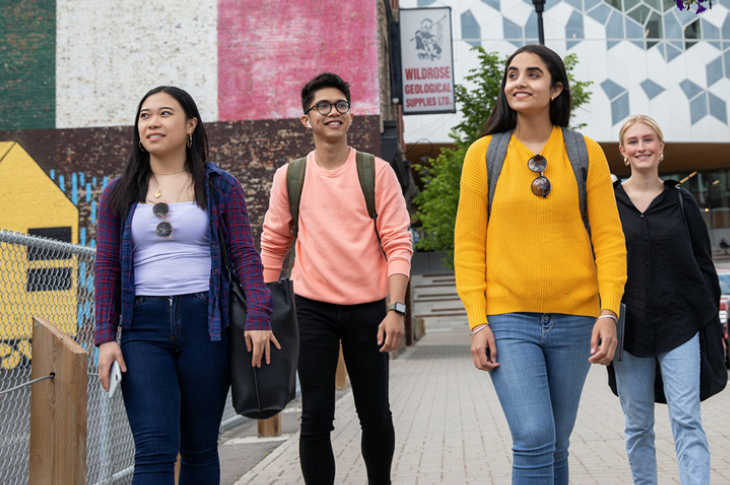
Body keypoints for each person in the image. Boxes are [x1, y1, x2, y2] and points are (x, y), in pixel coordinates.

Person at [454, 44, 627, 484]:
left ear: (556, 89)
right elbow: (468, 247)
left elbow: (609, 241)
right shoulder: (483, 155)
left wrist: (608, 312)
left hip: (576, 319)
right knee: (533, 435)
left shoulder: (585, 151)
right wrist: (477, 322)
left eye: (533, 74)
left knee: (556, 443)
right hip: (508, 319)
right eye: (512, 74)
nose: (519, 82)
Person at [94, 86, 277, 485]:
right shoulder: (117, 192)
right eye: (145, 115)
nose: (152, 123)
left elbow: (245, 253)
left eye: (164, 114)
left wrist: (259, 315)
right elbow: (106, 265)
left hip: (206, 325)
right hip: (143, 329)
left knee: (198, 447)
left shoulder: (219, 186)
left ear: (190, 125)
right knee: (155, 448)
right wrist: (106, 336)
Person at [260, 72, 412, 485]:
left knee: (375, 414)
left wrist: (394, 309)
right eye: (322, 106)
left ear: (350, 113)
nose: (333, 112)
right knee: (316, 416)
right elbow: (273, 245)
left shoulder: (376, 172)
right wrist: (262, 315)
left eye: (341, 104)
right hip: (311, 310)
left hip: (369, 310)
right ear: (305, 120)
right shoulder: (289, 176)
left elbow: (398, 244)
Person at [612, 114, 718, 485]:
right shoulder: (608, 203)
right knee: (638, 424)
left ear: (661, 148)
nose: (642, 147)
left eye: (649, 140)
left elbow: (704, 266)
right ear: (623, 152)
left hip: (681, 324)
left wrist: (710, 324)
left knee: (687, 418)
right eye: (633, 141)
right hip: (629, 329)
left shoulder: (681, 201)